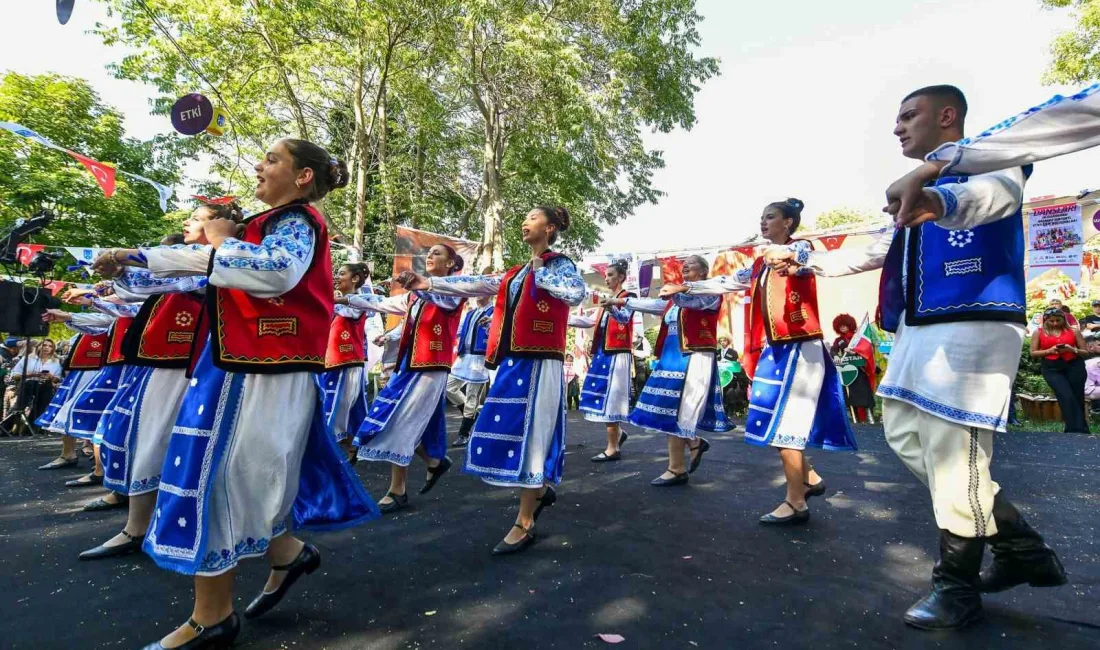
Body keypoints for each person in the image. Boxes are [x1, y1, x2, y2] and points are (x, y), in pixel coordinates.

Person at [770, 85, 1066, 630]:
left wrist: (941, 200)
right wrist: (804, 258)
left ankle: (957, 590)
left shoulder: (997, 162)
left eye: (910, 115)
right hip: (918, 331)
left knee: (958, 462)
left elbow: (996, 196)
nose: (898, 126)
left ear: (948, 116)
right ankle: (1022, 547)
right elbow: (873, 251)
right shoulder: (915, 193)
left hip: (971, 326)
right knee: (905, 438)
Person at [121, 139, 377, 650]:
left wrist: (219, 241)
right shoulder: (261, 226)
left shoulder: (297, 224)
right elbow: (202, 260)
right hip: (238, 362)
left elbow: (276, 271)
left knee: (216, 476)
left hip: (265, 368)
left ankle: (212, 617)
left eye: (273, 160)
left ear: (303, 177)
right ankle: (285, 553)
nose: (260, 167)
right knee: (235, 473)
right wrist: (134, 256)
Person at [397, 205, 586, 555]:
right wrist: (430, 282)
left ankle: (525, 521)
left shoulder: (559, 263)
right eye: (524, 216)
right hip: (515, 362)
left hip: (541, 361)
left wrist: (540, 272)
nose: (523, 221)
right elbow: (479, 283)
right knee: (512, 429)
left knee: (532, 434)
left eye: (531, 217)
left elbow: (575, 293)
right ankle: (539, 494)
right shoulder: (516, 271)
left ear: (551, 227)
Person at [665, 200, 856, 523]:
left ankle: (796, 501)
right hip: (776, 349)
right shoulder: (759, 264)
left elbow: (821, 262)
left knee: (786, 427)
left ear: (789, 222)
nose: (763, 222)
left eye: (770, 217)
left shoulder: (803, 250)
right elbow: (727, 282)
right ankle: (808, 479)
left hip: (801, 346)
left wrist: (795, 257)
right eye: (762, 217)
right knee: (768, 422)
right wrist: (689, 286)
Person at [76, 208, 239, 560]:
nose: (188, 223)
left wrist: (123, 260)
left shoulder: (221, 259)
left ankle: (144, 529)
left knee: (157, 444)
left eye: (197, 218)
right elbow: (145, 285)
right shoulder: (200, 260)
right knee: (140, 439)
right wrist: (121, 269)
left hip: (182, 367)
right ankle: (142, 526)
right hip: (159, 364)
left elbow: (170, 278)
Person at [343, 244, 466, 514]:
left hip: (431, 367)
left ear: (451, 264)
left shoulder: (452, 290)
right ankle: (432, 461)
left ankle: (398, 488)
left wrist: (418, 285)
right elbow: (386, 305)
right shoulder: (417, 297)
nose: (430, 257)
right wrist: (346, 300)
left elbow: (438, 298)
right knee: (396, 418)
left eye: (437, 254)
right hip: (409, 365)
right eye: (429, 253)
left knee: (402, 420)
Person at [622, 255, 731, 486]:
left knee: (681, 410)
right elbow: (656, 305)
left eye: (690, 265)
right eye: (684, 266)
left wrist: (679, 290)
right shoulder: (677, 298)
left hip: (694, 355)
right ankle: (688, 449)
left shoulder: (709, 293)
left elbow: (691, 301)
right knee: (669, 409)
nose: (684, 268)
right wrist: (621, 302)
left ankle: (677, 466)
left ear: (702, 272)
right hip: (674, 357)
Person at [573, 259, 635, 462]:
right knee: (600, 394)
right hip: (603, 352)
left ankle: (612, 447)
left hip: (617, 353)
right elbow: (590, 321)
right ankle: (616, 436)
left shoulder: (628, 297)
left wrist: (612, 306)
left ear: (621, 277)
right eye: (606, 275)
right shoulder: (608, 300)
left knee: (611, 399)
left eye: (610, 275)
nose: (606, 279)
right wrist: (562, 319)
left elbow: (624, 318)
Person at [319, 262, 373, 463]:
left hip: (346, 362)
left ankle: (328, 452)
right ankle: (351, 448)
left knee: (335, 410)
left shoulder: (357, 302)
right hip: (333, 362)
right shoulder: (338, 301)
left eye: (341, 273)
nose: (337, 276)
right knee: (343, 410)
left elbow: (346, 309)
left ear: (355, 279)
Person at [35, 330, 110, 472]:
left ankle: (100, 462)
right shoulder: (86, 326)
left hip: (103, 369)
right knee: (67, 409)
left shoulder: (113, 315)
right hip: (82, 370)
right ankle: (68, 454)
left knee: (102, 413)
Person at [1030, 307, 1090, 434]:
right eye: (1052, 321)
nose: (1055, 323)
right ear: (1046, 320)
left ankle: (1077, 429)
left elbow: (1085, 352)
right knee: (1065, 395)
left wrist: (1072, 349)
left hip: (1074, 365)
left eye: (1058, 320)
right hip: (1052, 368)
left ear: (1064, 319)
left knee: (1077, 396)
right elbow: (1033, 353)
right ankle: (1076, 429)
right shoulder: (1038, 332)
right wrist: (1049, 351)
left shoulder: (1074, 331)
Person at [445, 294, 494, 447]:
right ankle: (472, 415)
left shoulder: (494, 312)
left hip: (479, 358)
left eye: (482, 291)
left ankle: (464, 433)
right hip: (464, 357)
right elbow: (457, 330)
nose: (479, 295)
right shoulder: (471, 313)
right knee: (448, 387)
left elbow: (497, 331)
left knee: (472, 396)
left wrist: (489, 325)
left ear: (490, 294)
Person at [831, 313, 876, 424]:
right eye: (840, 326)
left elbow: (866, 349)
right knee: (849, 395)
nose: (843, 327)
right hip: (847, 371)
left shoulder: (858, 338)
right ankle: (853, 416)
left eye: (844, 325)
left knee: (864, 393)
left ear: (849, 325)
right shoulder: (838, 340)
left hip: (860, 370)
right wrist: (836, 356)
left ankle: (869, 415)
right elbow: (833, 350)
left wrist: (854, 351)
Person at [1084, 338, 1100, 415]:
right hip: (1090, 391)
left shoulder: (1084, 361)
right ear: (1090, 347)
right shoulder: (1096, 361)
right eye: (1099, 345)